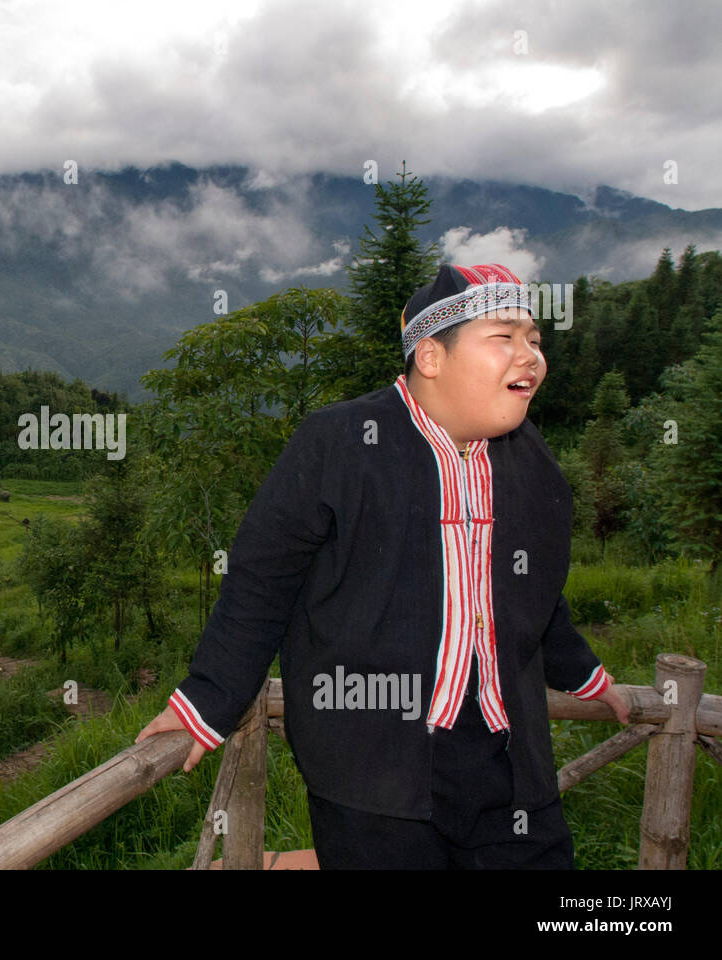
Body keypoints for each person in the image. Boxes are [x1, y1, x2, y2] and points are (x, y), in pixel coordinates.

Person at [136, 262, 631, 868]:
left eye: (534, 339)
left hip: (510, 766)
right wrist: (205, 705)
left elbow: (536, 595)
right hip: (373, 771)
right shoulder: (338, 442)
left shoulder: (536, 467)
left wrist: (583, 674)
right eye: (503, 337)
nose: (529, 356)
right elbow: (263, 582)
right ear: (430, 357)